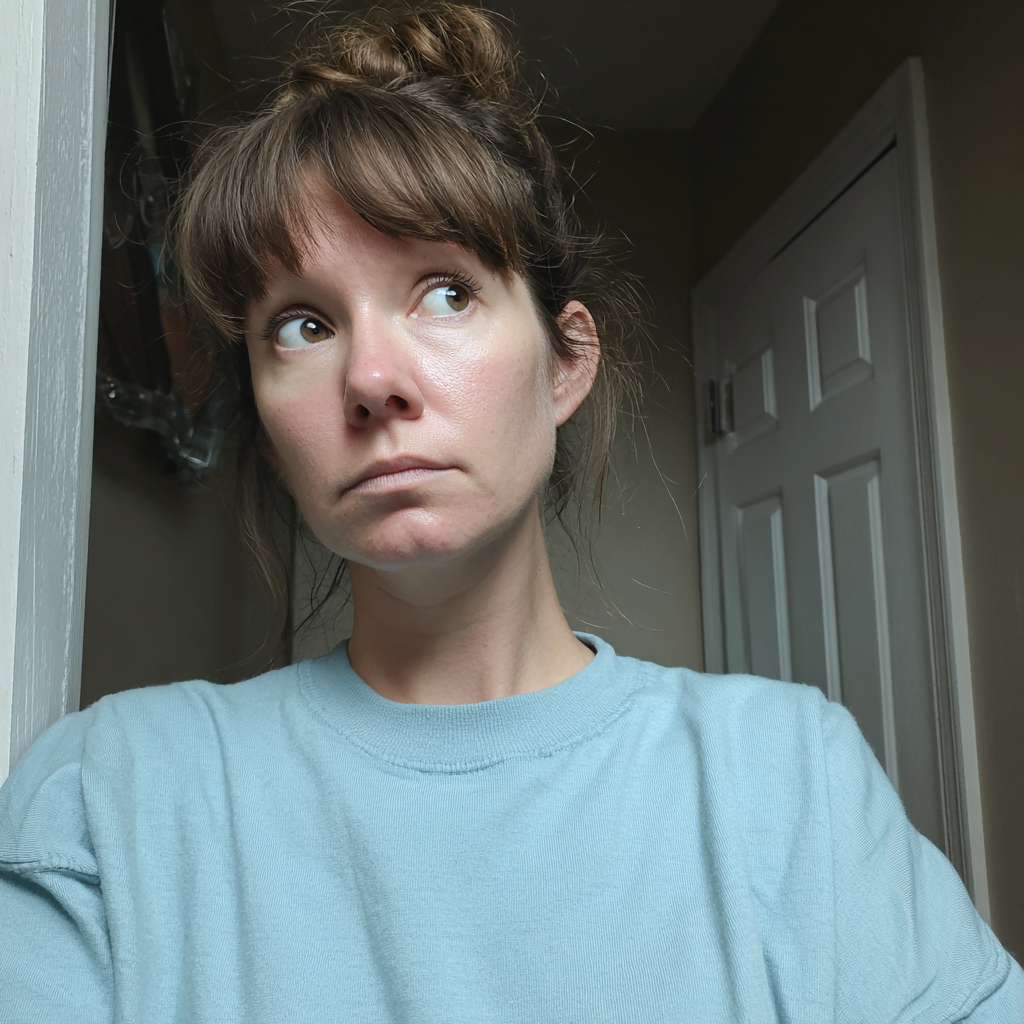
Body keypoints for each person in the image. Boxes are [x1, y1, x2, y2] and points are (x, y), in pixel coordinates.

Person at [1, 3, 1021, 1021]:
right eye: (303, 325)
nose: (370, 378)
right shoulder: (108, 797)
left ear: (565, 362)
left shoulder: (789, 776)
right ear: (266, 424)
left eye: (443, 292)